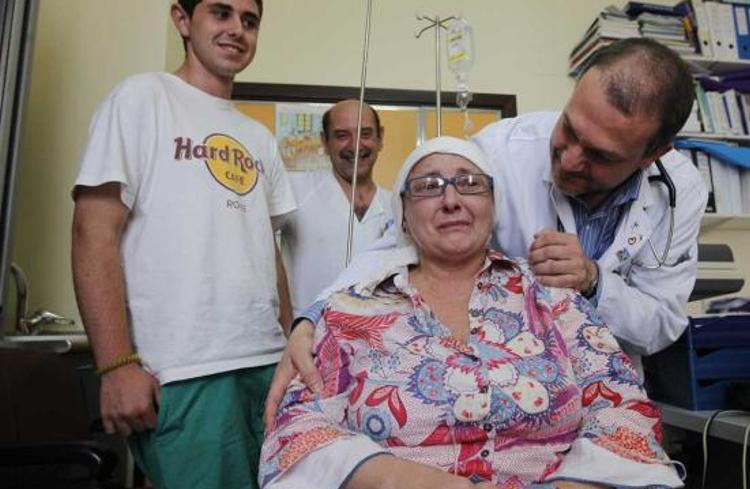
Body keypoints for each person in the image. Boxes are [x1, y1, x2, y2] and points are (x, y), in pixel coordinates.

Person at [265, 37, 708, 425]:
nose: (570, 160)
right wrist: (314, 317)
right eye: (568, 129)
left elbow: (660, 325)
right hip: (505, 395)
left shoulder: (680, 190)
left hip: (602, 392)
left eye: (601, 155)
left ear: (654, 154)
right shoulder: (501, 152)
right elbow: (389, 246)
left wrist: (594, 283)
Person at [260, 137, 683, 489]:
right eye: (428, 187)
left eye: (469, 184)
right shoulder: (349, 313)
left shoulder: (555, 303)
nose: (451, 200)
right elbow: (298, 430)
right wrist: (420, 484)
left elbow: (624, 406)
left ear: (492, 205)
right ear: (403, 214)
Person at [71, 1, 296, 489]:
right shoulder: (142, 98)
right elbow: (94, 231)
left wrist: (289, 346)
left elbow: (269, 251)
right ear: (181, 20)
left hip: (267, 365)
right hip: (187, 370)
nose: (237, 29)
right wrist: (116, 364)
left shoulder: (258, 137)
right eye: (221, 13)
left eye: (249, 20)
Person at [280, 100, 392, 314]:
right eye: (342, 135)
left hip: (377, 341)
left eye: (366, 134)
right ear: (325, 141)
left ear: (380, 139)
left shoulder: (397, 204)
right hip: (308, 338)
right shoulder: (294, 190)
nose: (355, 145)